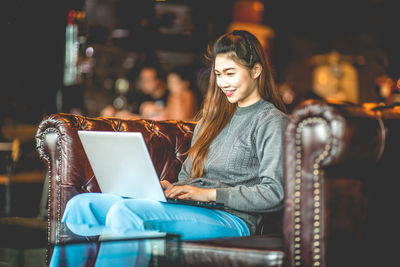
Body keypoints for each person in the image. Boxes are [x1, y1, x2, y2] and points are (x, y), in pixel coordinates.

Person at [50, 29, 288, 266]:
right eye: (218, 74)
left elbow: (274, 193)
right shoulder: (211, 119)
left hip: (234, 219)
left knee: (127, 213)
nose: (223, 82)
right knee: (81, 206)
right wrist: (171, 188)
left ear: (256, 70)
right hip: (194, 207)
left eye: (230, 73)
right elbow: (187, 176)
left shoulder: (270, 121)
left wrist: (209, 194)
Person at [100, 64, 169, 119]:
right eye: (142, 80)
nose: (144, 83)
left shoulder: (169, 97)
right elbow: (127, 112)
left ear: (158, 80)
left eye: (148, 80)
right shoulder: (139, 96)